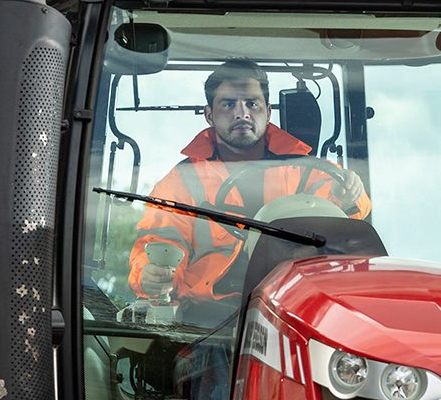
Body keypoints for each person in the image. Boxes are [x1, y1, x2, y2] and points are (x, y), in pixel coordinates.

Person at [129, 58, 369, 303]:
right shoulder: (182, 181)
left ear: (268, 112)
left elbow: (343, 211)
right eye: (229, 104)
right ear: (209, 114)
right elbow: (160, 241)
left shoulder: (307, 170)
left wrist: (349, 194)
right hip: (207, 316)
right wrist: (151, 274)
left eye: (252, 104)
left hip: (291, 303)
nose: (241, 113)